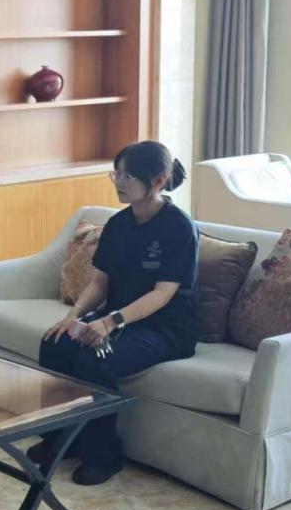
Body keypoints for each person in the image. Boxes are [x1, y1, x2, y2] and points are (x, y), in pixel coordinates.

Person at [32, 140, 198, 485]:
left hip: (165, 329)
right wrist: (73, 315)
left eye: (128, 176)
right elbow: (100, 283)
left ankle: (103, 456)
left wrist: (111, 321)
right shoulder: (119, 224)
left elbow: (163, 294)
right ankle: (62, 439)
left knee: (95, 359)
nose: (119, 183)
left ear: (157, 181)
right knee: (54, 342)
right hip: (119, 320)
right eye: (116, 174)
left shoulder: (179, 227)